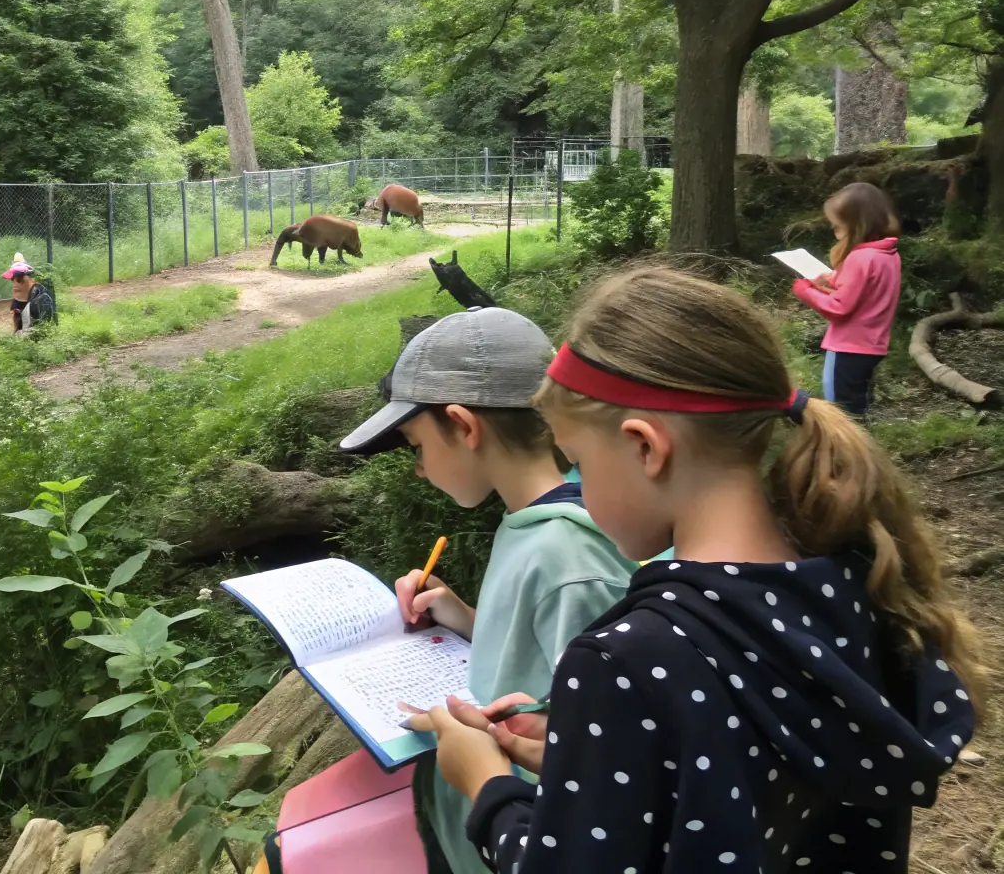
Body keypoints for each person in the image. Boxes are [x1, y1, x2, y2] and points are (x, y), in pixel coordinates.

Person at [416, 267, 982, 874]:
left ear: (645, 447)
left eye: (576, 458)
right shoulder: (857, 583)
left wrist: (487, 785)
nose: (576, 481)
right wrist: (587, 759)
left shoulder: (625, 660)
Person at [338, 307, 636, 874]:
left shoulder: (570, 560)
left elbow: (603, 749)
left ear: (465, 426)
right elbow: (552, 663)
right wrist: (464, 617)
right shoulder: (534, 522)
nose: (419, 469)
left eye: (414, 445)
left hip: (514, 836)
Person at [791, 182, 902, 416]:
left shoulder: (859, 258)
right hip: (872, 344)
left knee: (840, 410)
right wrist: (832, 282)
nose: (833, 230)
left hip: (849, 346)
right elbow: (866, 292)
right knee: (856, 402)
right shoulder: (887, 253)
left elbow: (840, 308)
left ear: (854, 225)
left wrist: (805, 291)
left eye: (837, 227)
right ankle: (861, 443)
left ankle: (847, 449)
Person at [2, 252, 56, 336]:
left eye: (19, 280)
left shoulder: (41, 297)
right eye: (13, 281)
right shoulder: (23, 293)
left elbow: (45, 326)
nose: (15, 285)